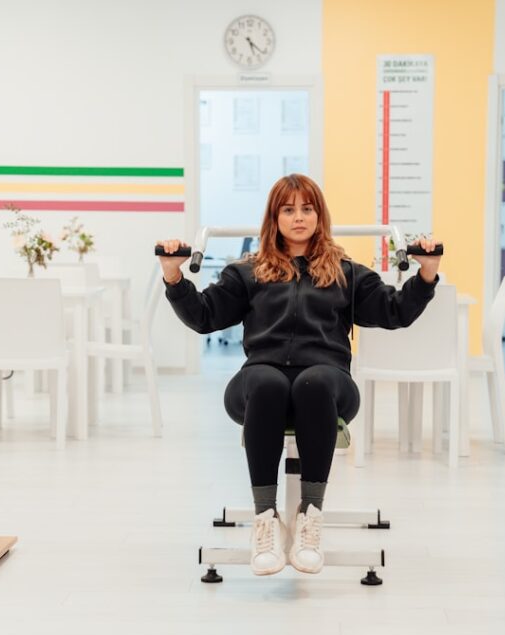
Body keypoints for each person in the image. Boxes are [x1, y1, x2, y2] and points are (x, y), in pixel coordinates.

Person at [157, 174, 442, 576]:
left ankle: (310, 517)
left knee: (314, 382)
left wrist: (426, 275)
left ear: (319, 215)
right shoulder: (249, 272)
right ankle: (266, 520)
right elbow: (204, 316)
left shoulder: (346, 273)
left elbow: (394, 311)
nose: (299, 217)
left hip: (328, 384)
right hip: (260, 381)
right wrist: (174, 276)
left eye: (307, 209)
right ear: (274, 218)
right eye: (288, 209)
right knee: (268, 382)